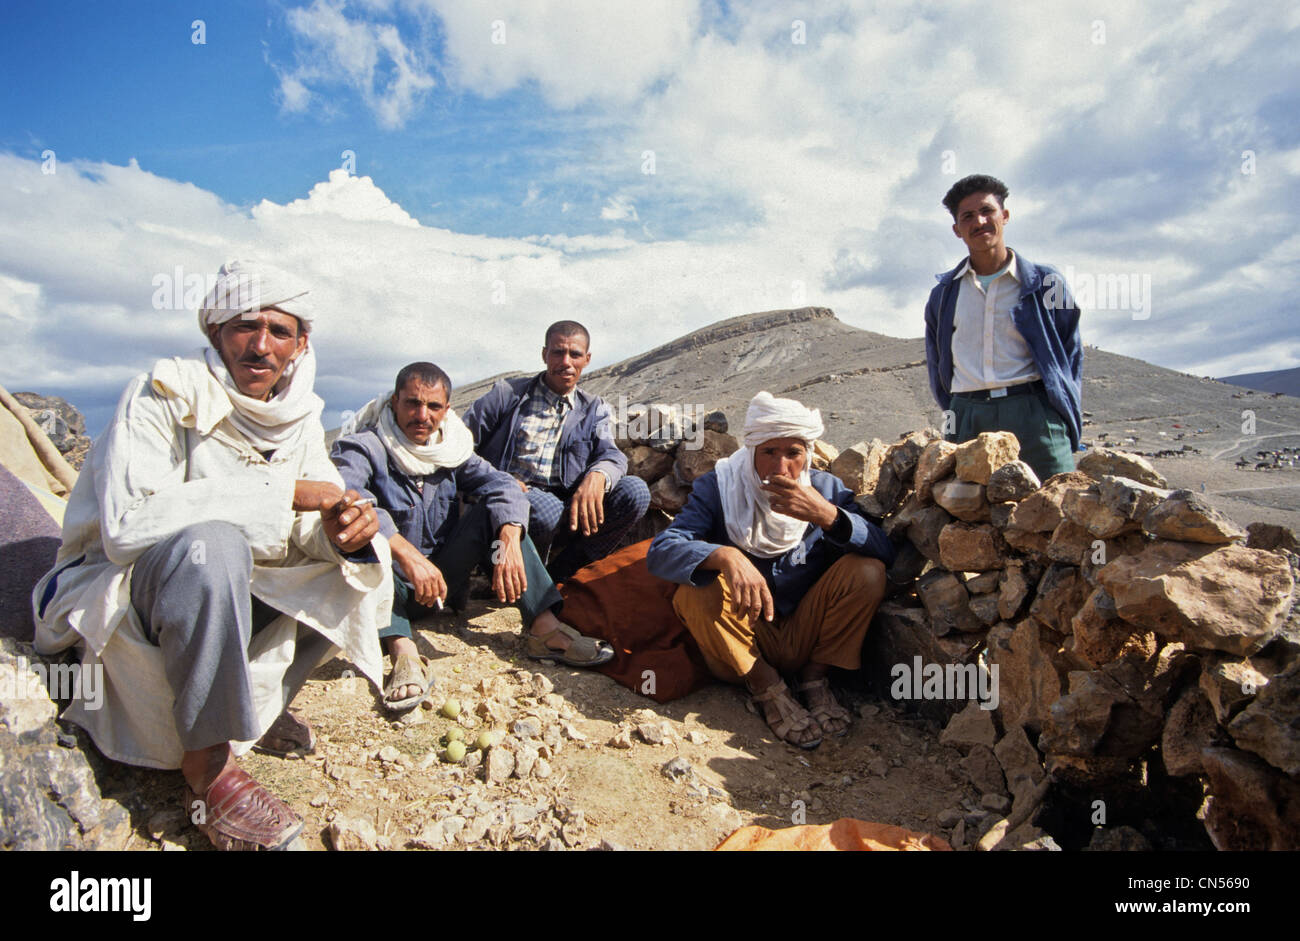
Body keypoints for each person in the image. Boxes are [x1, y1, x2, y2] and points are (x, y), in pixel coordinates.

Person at [31, 259, 392, 851]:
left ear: (301, 345)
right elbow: (124, 529)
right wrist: (283, 493)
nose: (261, 344)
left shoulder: (300, 415)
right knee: (211, 547)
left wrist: (339, 532)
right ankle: (209, 768)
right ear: (216, 333)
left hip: (227, 591)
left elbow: (306, 525)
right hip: (125, 589)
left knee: (359, 566)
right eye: (244, 326)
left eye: (280, 331)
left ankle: (251, 707)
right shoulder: (163, 392)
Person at [331, 361, 614, 689]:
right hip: (388, 582)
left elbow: (504, 485)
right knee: (356, 537)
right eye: (413, 403)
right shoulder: (364, 446)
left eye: (433, 406)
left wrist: (508, 536)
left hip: (440, 581)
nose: (423, 415)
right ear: (395, 401)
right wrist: (406, 554)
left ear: (446, 409)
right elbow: (348, 498)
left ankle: (545, 629)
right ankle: (402, 649)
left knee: (499, 513)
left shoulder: (451, 449)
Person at [647, 392, 894, 749]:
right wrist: (726, 557)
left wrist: (827, 516)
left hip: (807, 634)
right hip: (743, 638)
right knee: (697, 591)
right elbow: (661, 551)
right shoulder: (719, 487)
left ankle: (815, 680)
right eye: (769, 452)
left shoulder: (825, 490)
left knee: (867, 571)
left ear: (807, 454)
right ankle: (766, 687)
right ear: (752, 452)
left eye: (793, 453)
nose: (781, 468)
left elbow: (885, 552)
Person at [462, 320, 650, 582]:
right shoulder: (507, 395)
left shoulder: (594, 408)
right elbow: (460, 445)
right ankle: (507, 575)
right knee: (546, 508)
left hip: (566, 508)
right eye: (557, 352)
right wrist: (498, 480)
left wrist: (598, 476)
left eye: (574, 354)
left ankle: (562, 577)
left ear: (587, 358)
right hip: (508, 502)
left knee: (634, 491)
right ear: (544, 354)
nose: (566, 361)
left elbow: (612, 454)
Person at [924, 174, 1083, 481]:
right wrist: (956, 408)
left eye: (987, 211)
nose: (979, 221)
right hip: (966, 415)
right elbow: (938, 360)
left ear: (1005, 216)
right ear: (957, 230)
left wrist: (1058, 411)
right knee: (965, 518)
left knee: (1053, 509)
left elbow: (1070, 351)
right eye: (967, 216)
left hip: (1034, 414)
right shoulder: (943, 294)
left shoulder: (1046, 282)